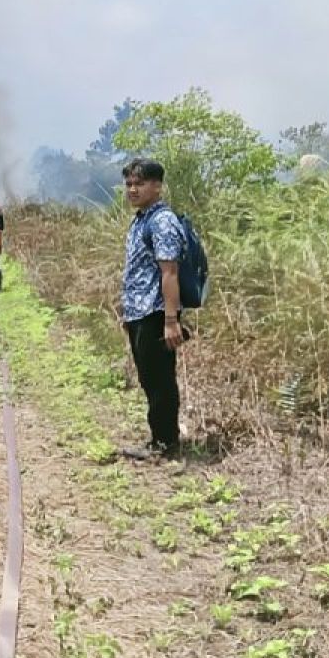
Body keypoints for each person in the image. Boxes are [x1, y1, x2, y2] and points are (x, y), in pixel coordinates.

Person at [118, 159, 190, 460]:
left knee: (159, 378)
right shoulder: (142, 220)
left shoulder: (162, 221)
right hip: (139, 313)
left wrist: (171, 320)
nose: (133, 189)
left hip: (156, 314)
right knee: (149, 377)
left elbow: (169, 272)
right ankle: (160, 438)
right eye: (129, 184)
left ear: (157, 186)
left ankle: (165, 443)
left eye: (140, 183)